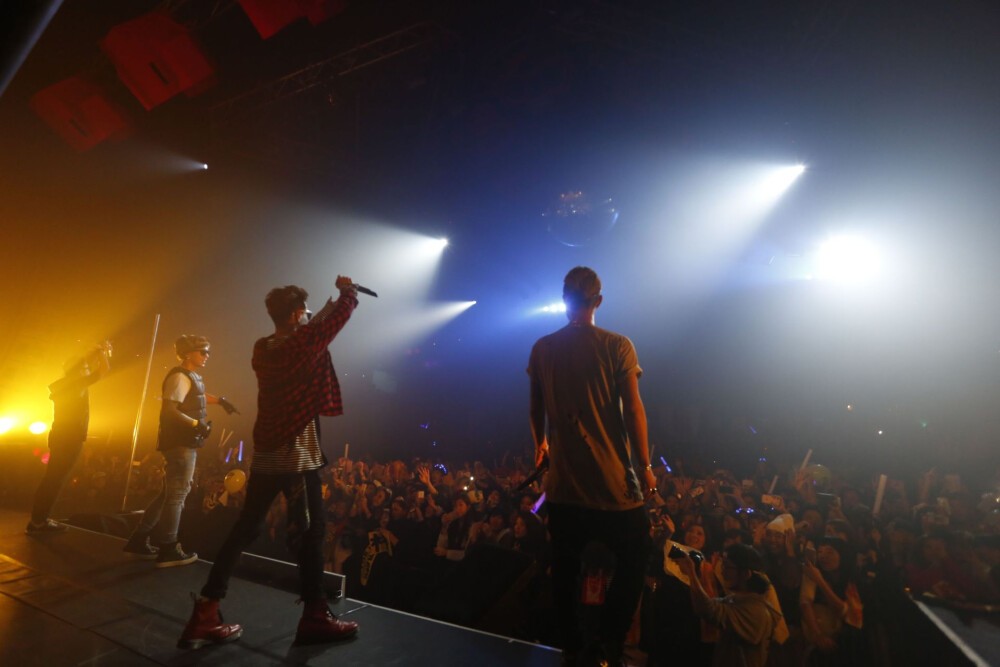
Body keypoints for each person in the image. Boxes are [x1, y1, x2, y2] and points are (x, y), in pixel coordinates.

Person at [179, 278, 360, 650]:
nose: (308, 318)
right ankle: (315, 617)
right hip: (296, 457)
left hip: (266, 455)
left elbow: (309, 332)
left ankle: (206, 611)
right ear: (295, 316)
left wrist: (316, 314)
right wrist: (348, 293)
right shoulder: (303, 342)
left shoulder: (263, 348)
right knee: (312, 533)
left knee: (245, 529)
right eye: (304, 313)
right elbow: (330, 324)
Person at [528, 266, 657, 666]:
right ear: (598, 300)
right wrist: (645, 465)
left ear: (564, 299)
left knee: (565, 566)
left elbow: (535, 408)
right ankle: (609, 641)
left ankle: (571, 645)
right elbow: (633, 409)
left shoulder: (542, 348)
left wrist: (540, 445)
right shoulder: (618, 346)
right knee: (636, 553)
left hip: (564, 486)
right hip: (612, 485)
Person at [124, 334, 239, 565]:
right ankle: (168, 548)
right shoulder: (179, 377)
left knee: (168, 494)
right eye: (202, 351)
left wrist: (221, 401)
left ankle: (139, 538)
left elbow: (197, 396)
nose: (207, 355)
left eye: (208, 352)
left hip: (184, 443)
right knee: (177, 496)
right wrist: (197, 424)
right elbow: (169, 410)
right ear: (188, 353)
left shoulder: (189, 377)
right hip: (180, 444)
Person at [26, 341, 112, 534]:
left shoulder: (66, 384)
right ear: (79, 371)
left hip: (61, 436)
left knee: (52, 478)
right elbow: (104, 369)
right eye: (85, 368)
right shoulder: (76, 383)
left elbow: (84, 365)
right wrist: (101, 352)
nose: (88, 370)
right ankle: (38, 523)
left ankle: (38, 520)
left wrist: (92, 355)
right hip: (70, 437)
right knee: (55, 480)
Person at [676, 544, 783, 667]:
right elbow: (710, 603)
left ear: (745, 574)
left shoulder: (756, 610)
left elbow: (706, 608)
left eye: (727, 566)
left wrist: (691, 572)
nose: (722, 571)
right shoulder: (736, 599)